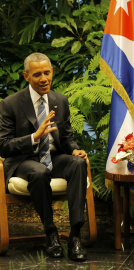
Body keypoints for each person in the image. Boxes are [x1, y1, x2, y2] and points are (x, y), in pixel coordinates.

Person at [0, 53, 88, 261]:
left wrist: (75, 149)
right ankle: (51, 233)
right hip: (23, 160)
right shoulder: (10, 104)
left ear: (52, 72)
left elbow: (66, 138)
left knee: (77, 164)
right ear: (26, 76)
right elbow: (3, 146)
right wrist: (34, 136)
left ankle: (75, 235)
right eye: (37, 74)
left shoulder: (60, 100)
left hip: (54, 157)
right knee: (39, 172)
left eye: (47, 73)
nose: (44, 79)